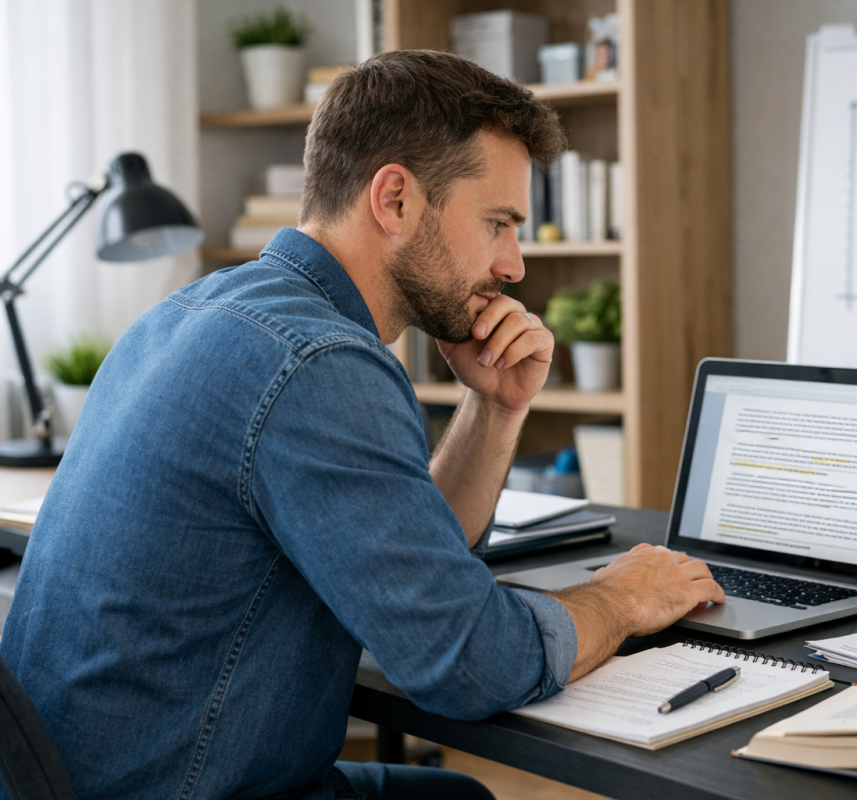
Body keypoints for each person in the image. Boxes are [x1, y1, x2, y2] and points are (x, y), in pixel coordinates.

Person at [0, 50, 724, 800]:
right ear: (396, 200)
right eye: (498, 223)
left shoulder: (194, 311)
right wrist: (623, 597)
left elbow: (409, 557)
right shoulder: (318, 365)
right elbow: (467, 660)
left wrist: (495, 405)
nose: (513, 264)